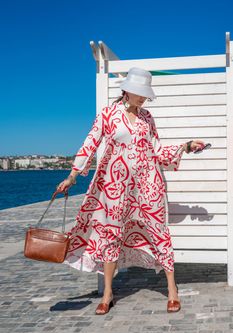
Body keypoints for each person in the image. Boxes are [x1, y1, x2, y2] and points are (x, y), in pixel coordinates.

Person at [56, 67, 206, 315]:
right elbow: (90, 144)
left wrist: (187, 147)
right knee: (112, 235)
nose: (143, 98)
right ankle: (107, 293)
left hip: (148, 186)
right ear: (127, 90)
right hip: (115, 187)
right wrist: (72, 175)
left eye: (146, 94)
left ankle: (172, 290)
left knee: (159, 232)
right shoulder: (108, 115)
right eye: (140, 93)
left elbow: (157, 151)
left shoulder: (148, 118)